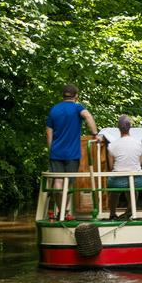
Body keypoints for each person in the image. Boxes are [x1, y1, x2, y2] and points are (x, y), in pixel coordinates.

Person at [46, 84, 98, 217]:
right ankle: (66, 211)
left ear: (62, 95)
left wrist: (51, 151)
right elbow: (87, 116)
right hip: (72, 154)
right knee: (68, 183)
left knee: (58, 181)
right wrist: (94, 133)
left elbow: (49, 133)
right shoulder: (77, 108)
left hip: (56, 152)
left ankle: (61, 211)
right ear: (76, 96)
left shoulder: (54, 110)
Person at [107, 115, 142, 220]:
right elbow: (139, 163)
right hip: (137, 180)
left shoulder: (112, 145)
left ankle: (112, 213)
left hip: (118, 180)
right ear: (130, 127)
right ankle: (130, 211)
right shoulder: (139, 144)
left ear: (118, 128)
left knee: (114, 190)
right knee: (133, 188)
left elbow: (111, 166)